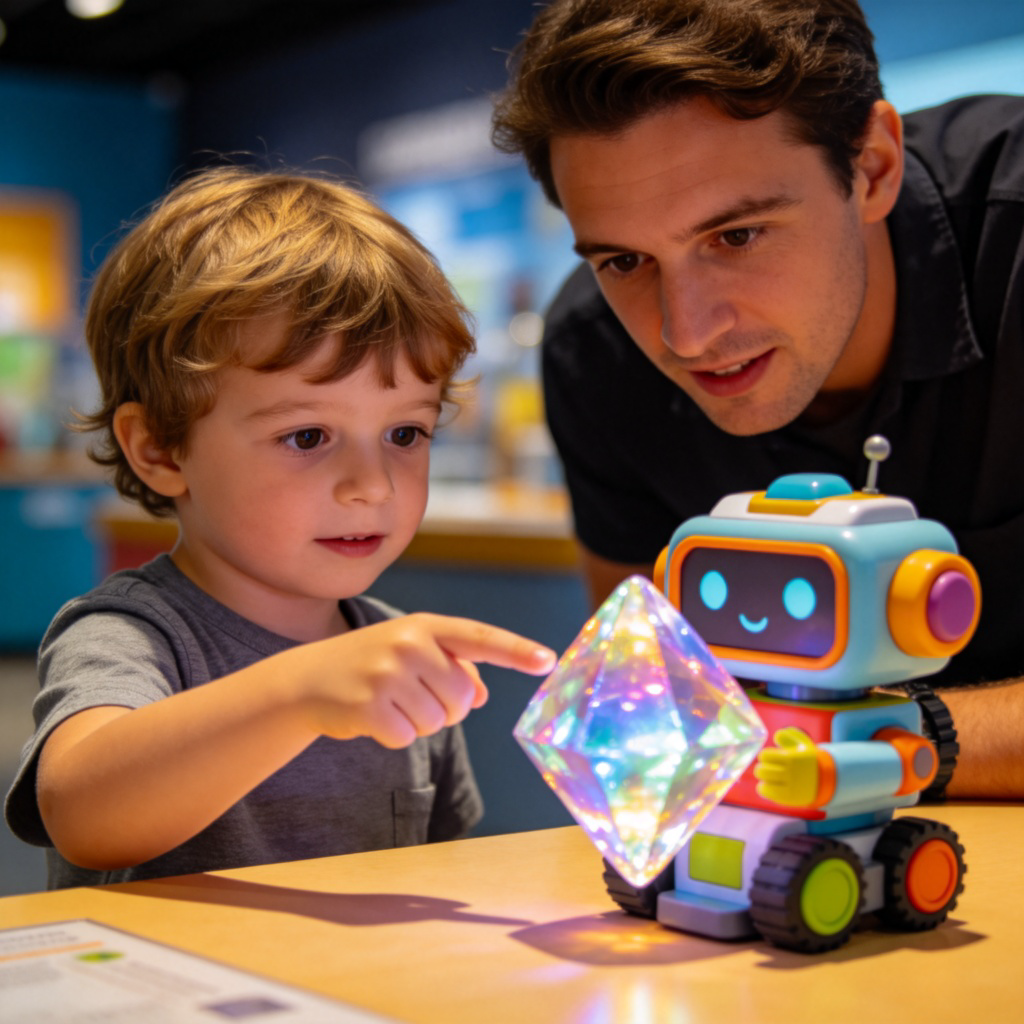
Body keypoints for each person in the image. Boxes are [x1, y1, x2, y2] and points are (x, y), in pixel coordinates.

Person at [492, 0, 1024, 799]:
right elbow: (662, 699)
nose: (688, 333)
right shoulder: (592, 350)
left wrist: (889, 754)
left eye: (736, 237)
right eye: (626, 261)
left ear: (873, 166)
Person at [4, 168, 557, 888]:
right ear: (160, 449)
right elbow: (83, 813)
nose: (373, 485)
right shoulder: (130, 635)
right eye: (306, 437)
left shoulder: (393, 656)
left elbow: (435, 880)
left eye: (405, 434)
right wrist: (299, 693)